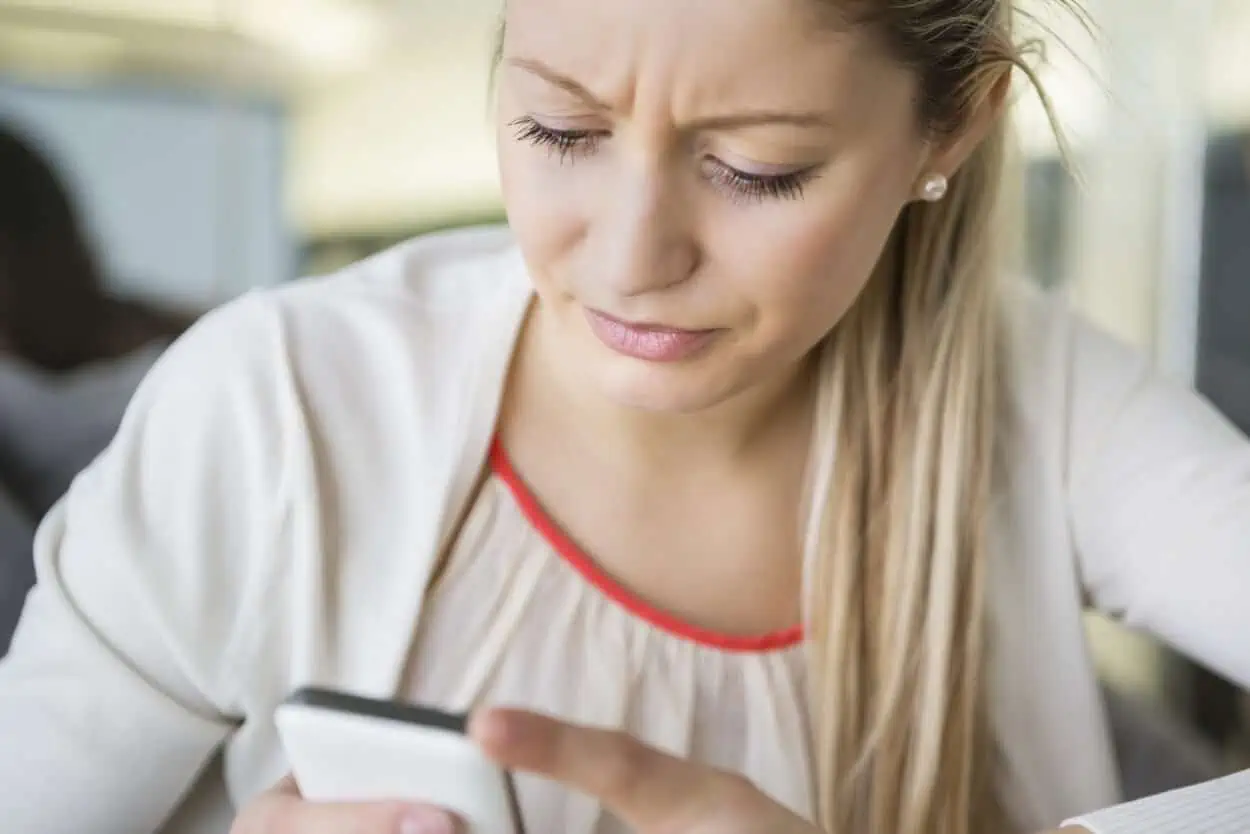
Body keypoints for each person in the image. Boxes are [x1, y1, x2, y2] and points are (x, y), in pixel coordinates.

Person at [0, 0, 1247, 832]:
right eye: (560, 128)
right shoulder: (279, 409)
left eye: (756, 168)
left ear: (954, 127)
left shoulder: (1049, 408)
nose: (633, 258)